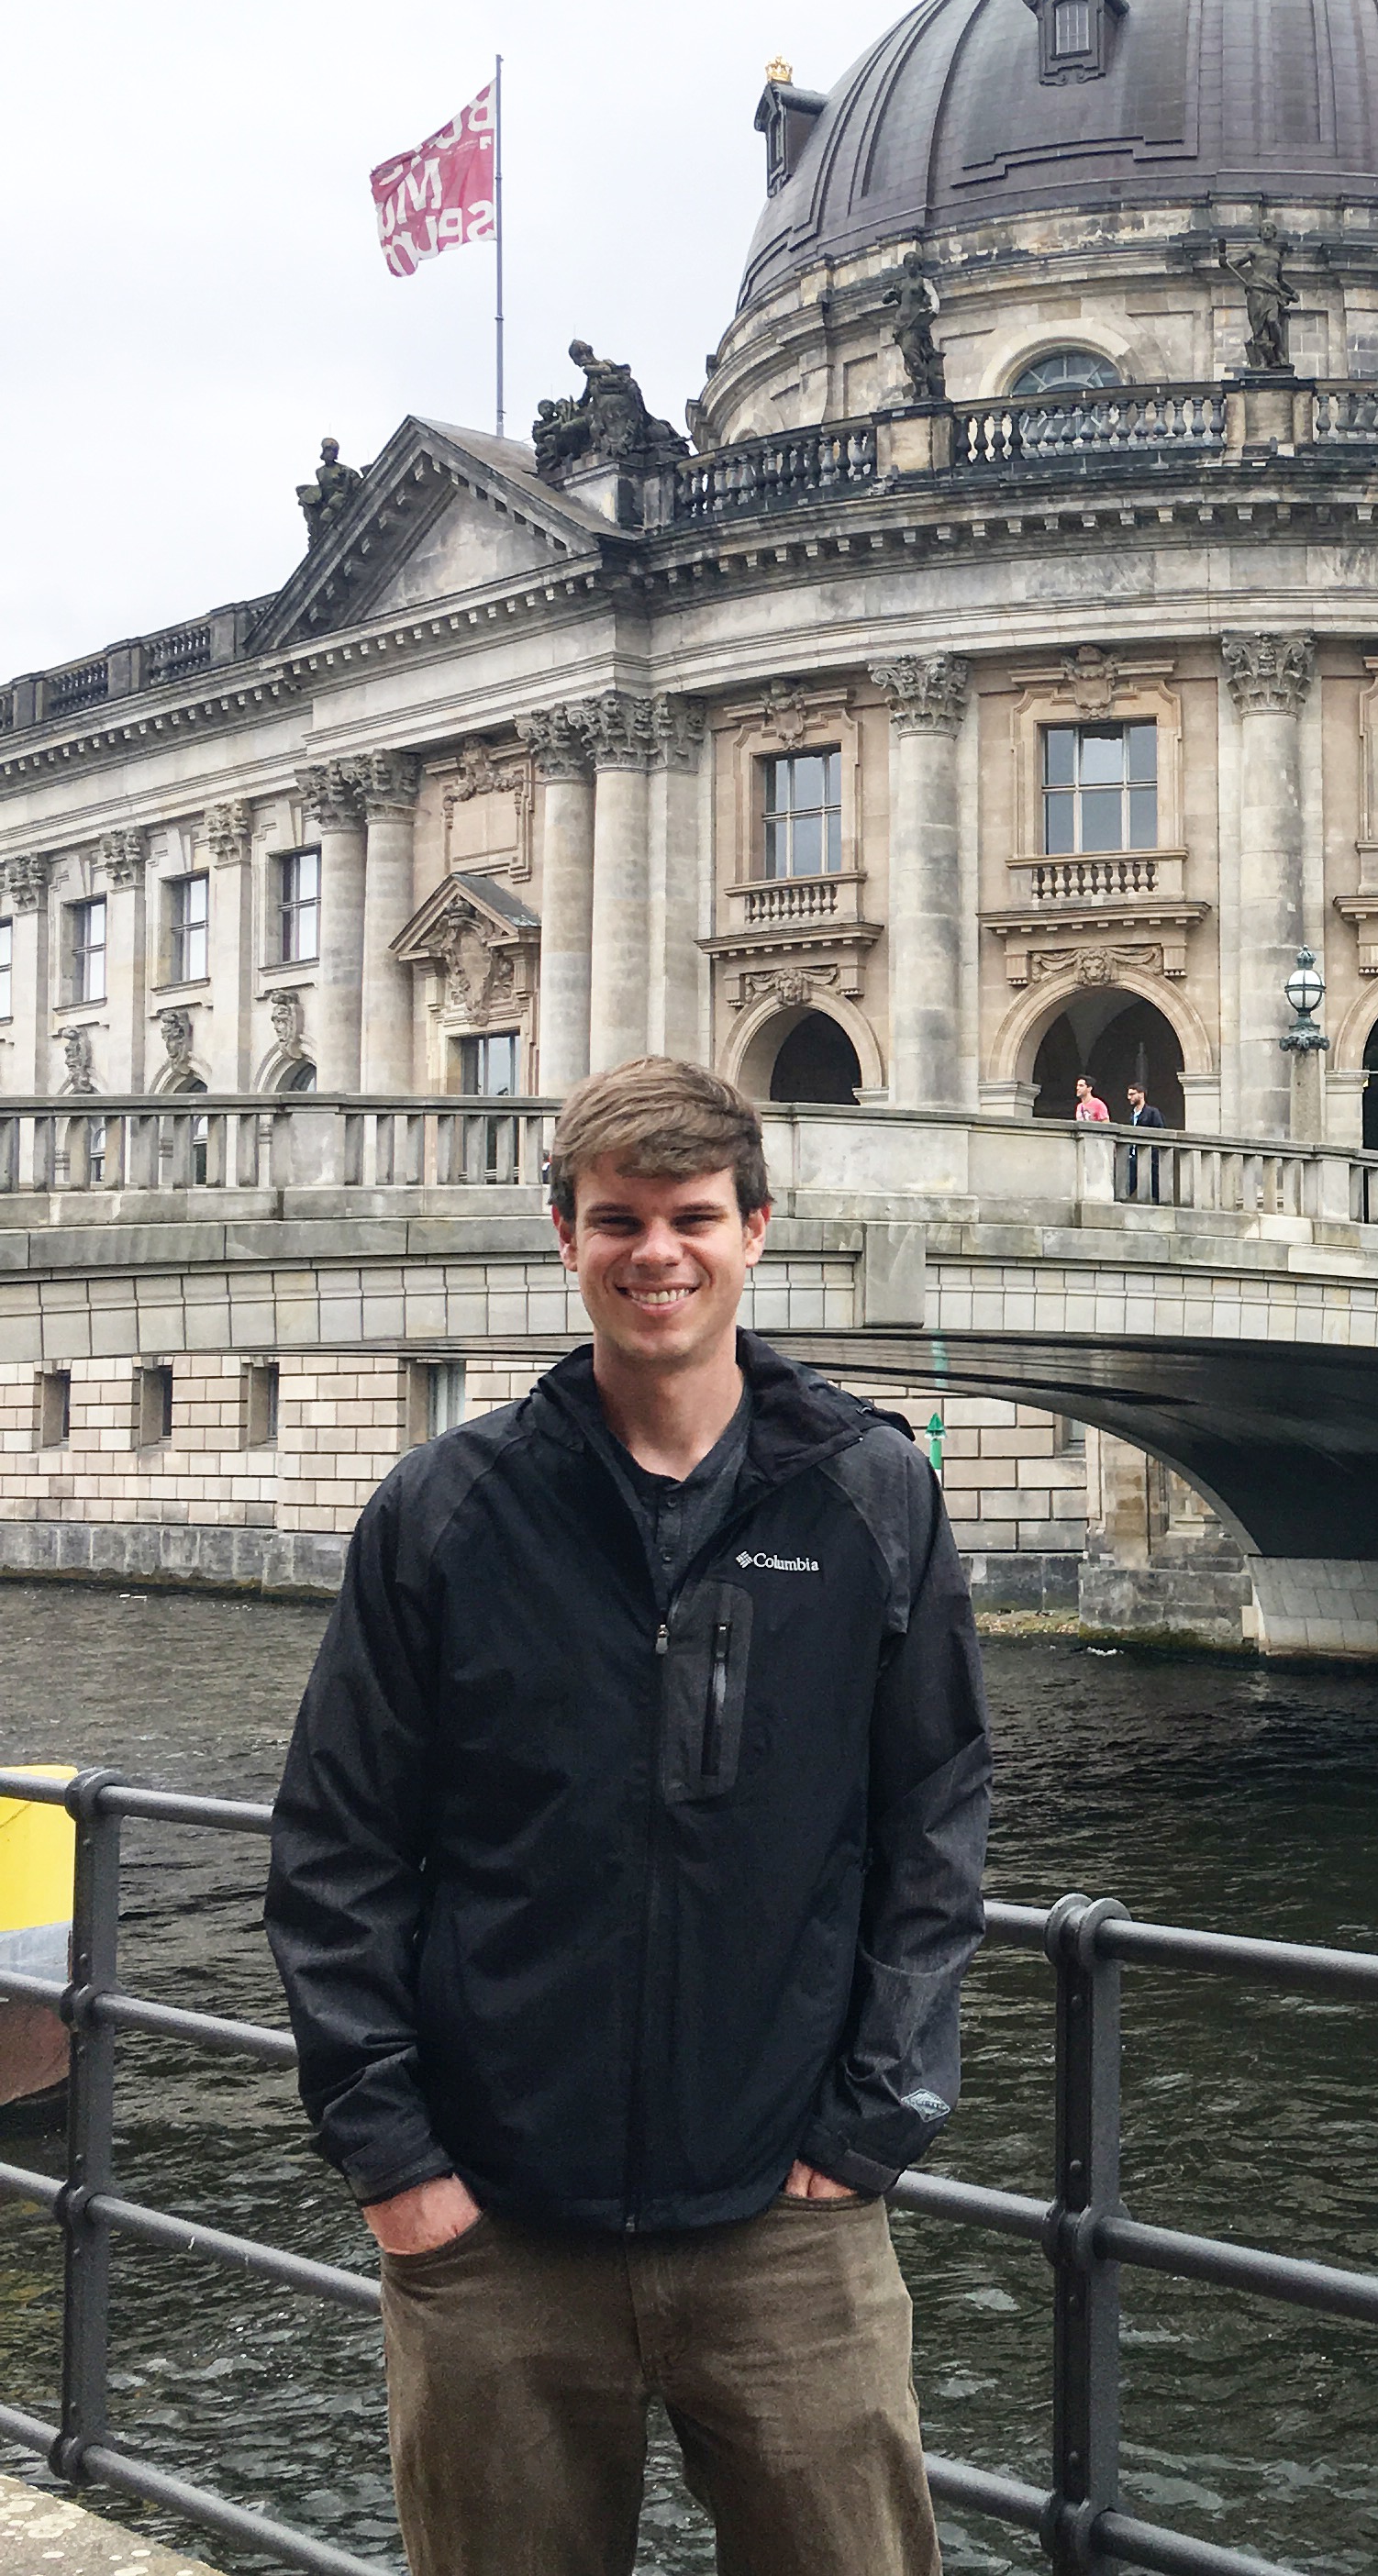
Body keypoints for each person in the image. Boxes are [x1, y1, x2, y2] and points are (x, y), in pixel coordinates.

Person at [266, 1057, 988, 2576]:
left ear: (755, 1229)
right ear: (564, 1237)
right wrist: (395, 2163)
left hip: (789, 2220)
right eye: (618, 1218)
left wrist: (870, 2120)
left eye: (690, 1215)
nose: (656, 1249)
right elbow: (337, 1847)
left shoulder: (871, 1490)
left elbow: (930, 1815)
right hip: (497, 2224)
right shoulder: (445, 1506)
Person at [1121, 1082, 1166, 1199]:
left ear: (1141, 1095)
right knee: (1129, 1181)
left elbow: (1160, 1131)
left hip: (1150, 1155)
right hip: (1133, 1154)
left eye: (1132, 1094)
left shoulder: (1152, 1112)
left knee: (1153, 1183)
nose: (1129, 1097)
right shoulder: (1132, 1113)